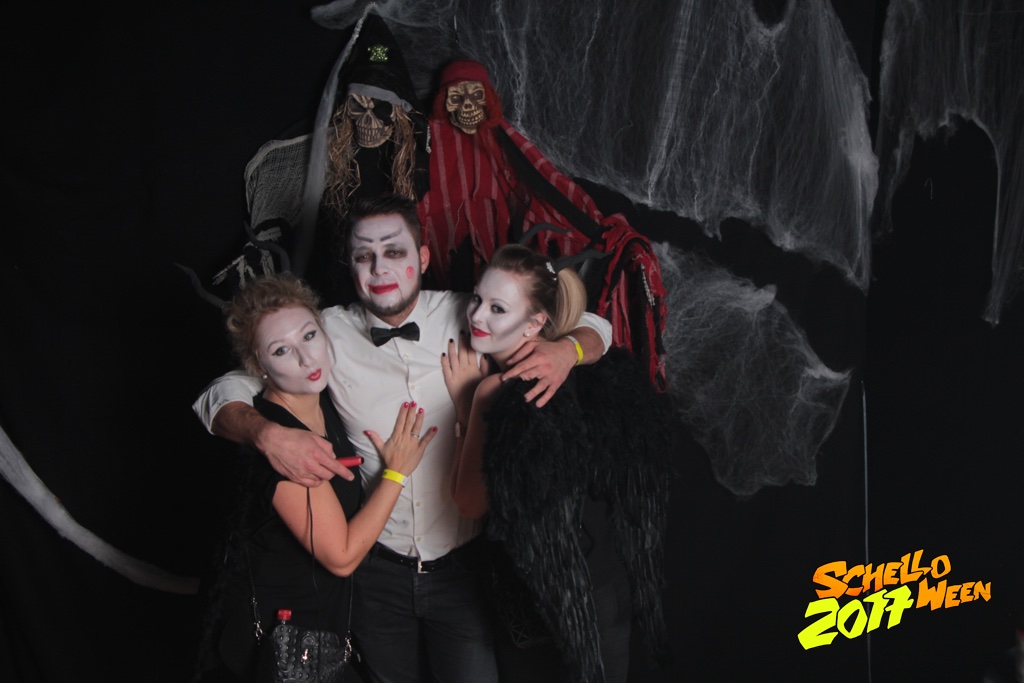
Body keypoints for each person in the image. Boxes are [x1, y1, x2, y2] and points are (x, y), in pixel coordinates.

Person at [192, 193, 614, 683]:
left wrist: (567, 351)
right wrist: (266, 433)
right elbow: (220, 393)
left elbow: (592, 324)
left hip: (464, 573)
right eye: (364, 255)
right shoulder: (323, 334)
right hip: (375, 579)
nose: (380, 269)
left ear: (423, 257)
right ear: (349, 265)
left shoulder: (473, 314)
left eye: (394, 251)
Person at [440, 244, 670, 683]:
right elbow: (598, 329)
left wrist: (467, 407)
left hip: (551, 602)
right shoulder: (580, 361)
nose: (477, 316)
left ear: (534, 323)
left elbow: (468, 503)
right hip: (604, 588)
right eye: (477, 299)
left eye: (497, 308)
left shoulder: (494, 390)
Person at [200, 273, 436, 680]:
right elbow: (341, 557)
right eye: (281, 350)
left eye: (309, 336)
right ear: (259, 367)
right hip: (287, 643)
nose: (307, 359)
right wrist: (395, 473)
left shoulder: (323, 402)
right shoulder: (285, 445)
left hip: (325, 630)